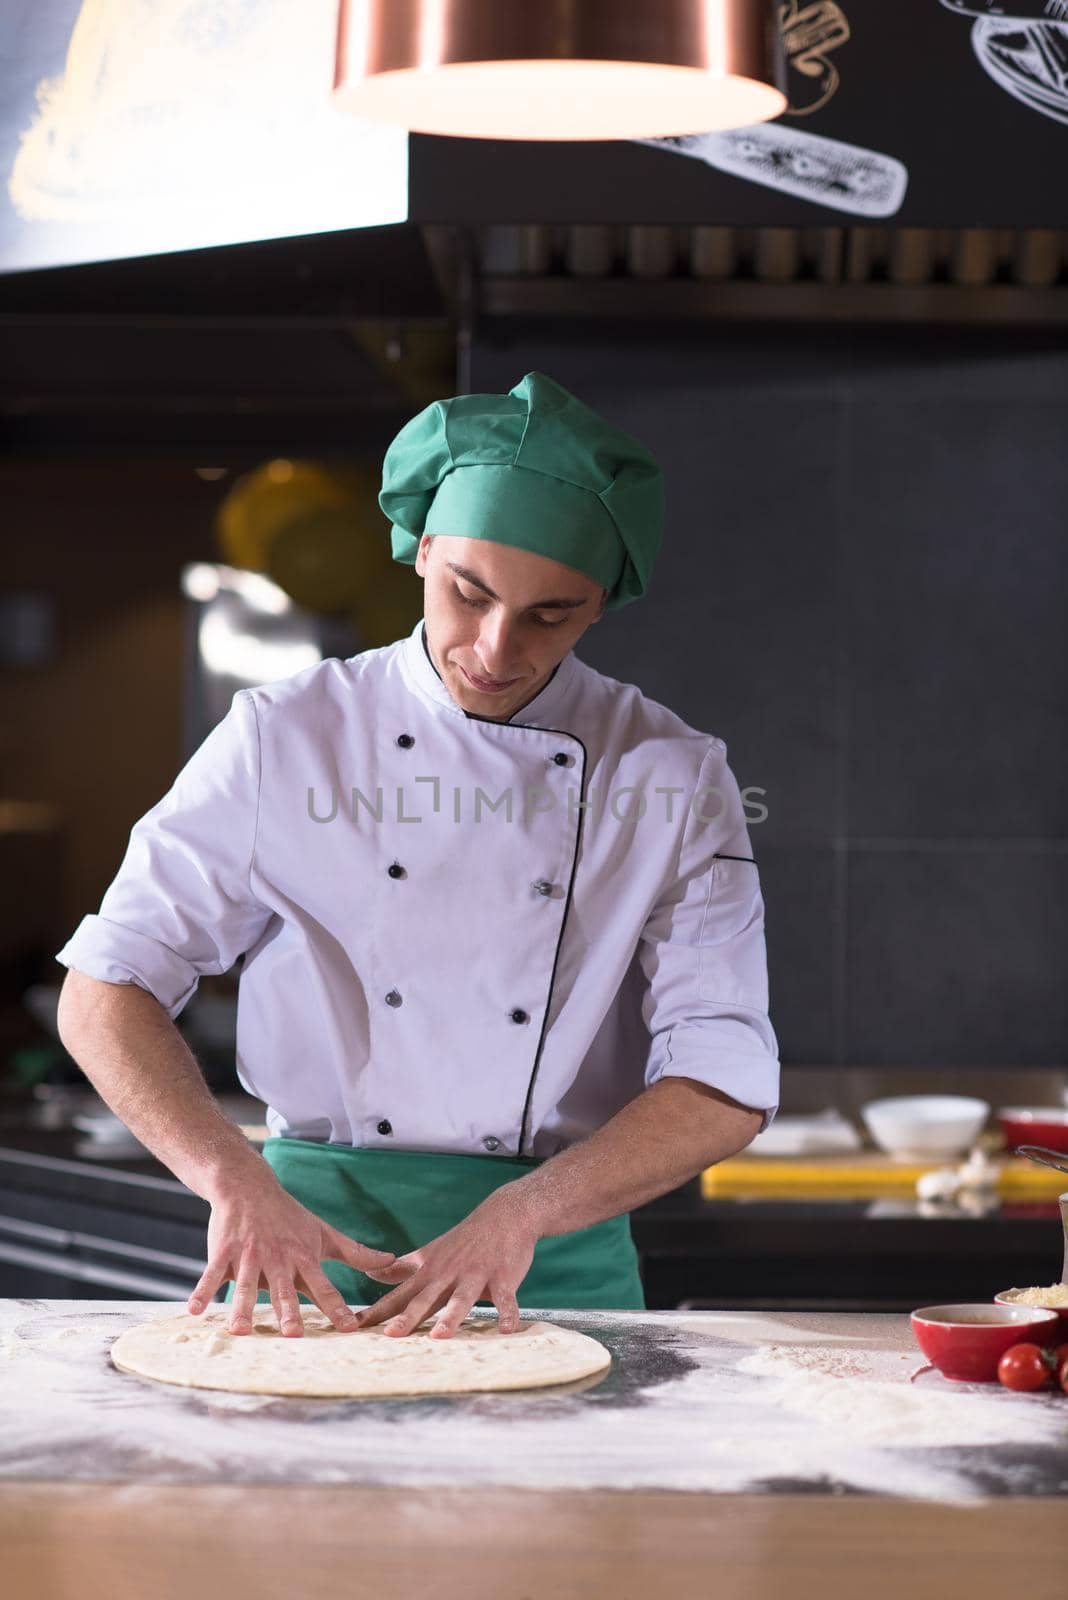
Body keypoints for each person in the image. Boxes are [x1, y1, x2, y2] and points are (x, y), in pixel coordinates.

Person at [55, 370, 780, 1342]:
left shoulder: (672, 774)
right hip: (304, 1246)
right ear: (422, 546)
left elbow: (725, 1076)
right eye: (467, 592)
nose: (493, 646)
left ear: (602, 604)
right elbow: (106, 987)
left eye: (550, 615)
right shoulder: (285, 734)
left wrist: (523, 1213)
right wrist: (232, 1175)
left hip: (551, 1250)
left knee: (576, 1497)